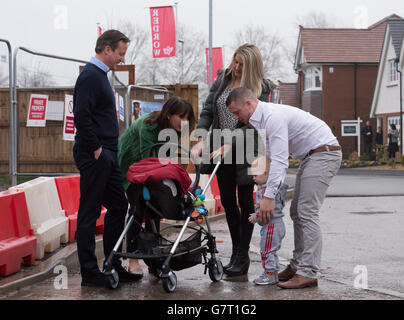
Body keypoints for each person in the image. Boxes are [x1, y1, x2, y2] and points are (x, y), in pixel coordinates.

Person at [226, 87, 342, 289]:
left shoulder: (272, 117)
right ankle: (298, 266)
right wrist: (264, 176)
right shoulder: (261, 120)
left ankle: (308, 271)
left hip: (324, 154)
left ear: (249, 104)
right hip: (311, 155)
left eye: (236, 112)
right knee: (297, 212)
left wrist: (269, 197)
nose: (236, 117)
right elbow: (272, 155)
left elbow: (281, 161)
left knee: (306, 212)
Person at [192, 44, 276, 277]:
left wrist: (233, 141)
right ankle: (237, 253)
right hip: (221, 146)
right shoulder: (223, 79)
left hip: (248, 148)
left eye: (241, 64)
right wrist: (200, 137)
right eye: (235, 61)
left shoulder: (261, 86)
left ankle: (243, 254)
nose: (236, 67)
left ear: (251, 66)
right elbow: (209, 109)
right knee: (228, 201)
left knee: (246, 202)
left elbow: (255, 120)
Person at [73, 30, 142, 287]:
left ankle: (112, 263)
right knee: (89, 211)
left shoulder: (101, 76)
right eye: (120, 53)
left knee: (118, 206)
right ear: (107, 49)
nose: (122, 59)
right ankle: (89, 273)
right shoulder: (91, 76)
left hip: (108, 154)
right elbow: (81, 115)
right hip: (96, 154)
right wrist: (96, 149)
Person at [118, 96, 195, 272]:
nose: (184, 122)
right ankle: (132, 257)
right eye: (181, 117)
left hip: (155, 167)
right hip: (132, 165)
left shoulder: (177, 131)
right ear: (168, 115)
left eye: (187, 118)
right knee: (138, 209)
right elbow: (148, 159)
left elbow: (176, 160)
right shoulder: (147, 125)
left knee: (155, 208)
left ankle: (154, 259)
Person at [248, 156, 287, 285]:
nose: (253, 178)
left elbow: (270, 211)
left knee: (267, 250)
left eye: (255, 175)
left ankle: (269, 274)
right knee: (271, 251)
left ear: (265, 173)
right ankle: (273, 274)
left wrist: (255, 216)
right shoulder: (276, 188)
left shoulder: (267, 191)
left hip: (271, 226)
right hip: (276, 225)